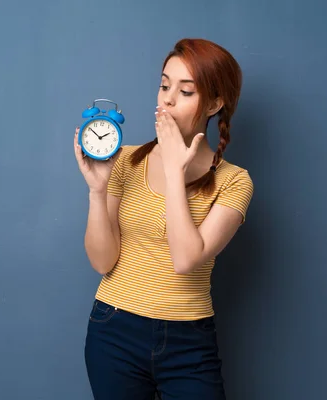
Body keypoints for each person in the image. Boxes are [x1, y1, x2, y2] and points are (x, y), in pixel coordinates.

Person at [73, 38, 254, 400]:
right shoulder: (124, 160)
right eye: (164, 85)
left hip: (189, 342)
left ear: (215, 104)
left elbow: (186, 258)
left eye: (185, 91)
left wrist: (175, 170)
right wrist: (96, 191)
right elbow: (101, 261)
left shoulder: (234, 181)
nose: (167, 99)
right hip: (114, 329)